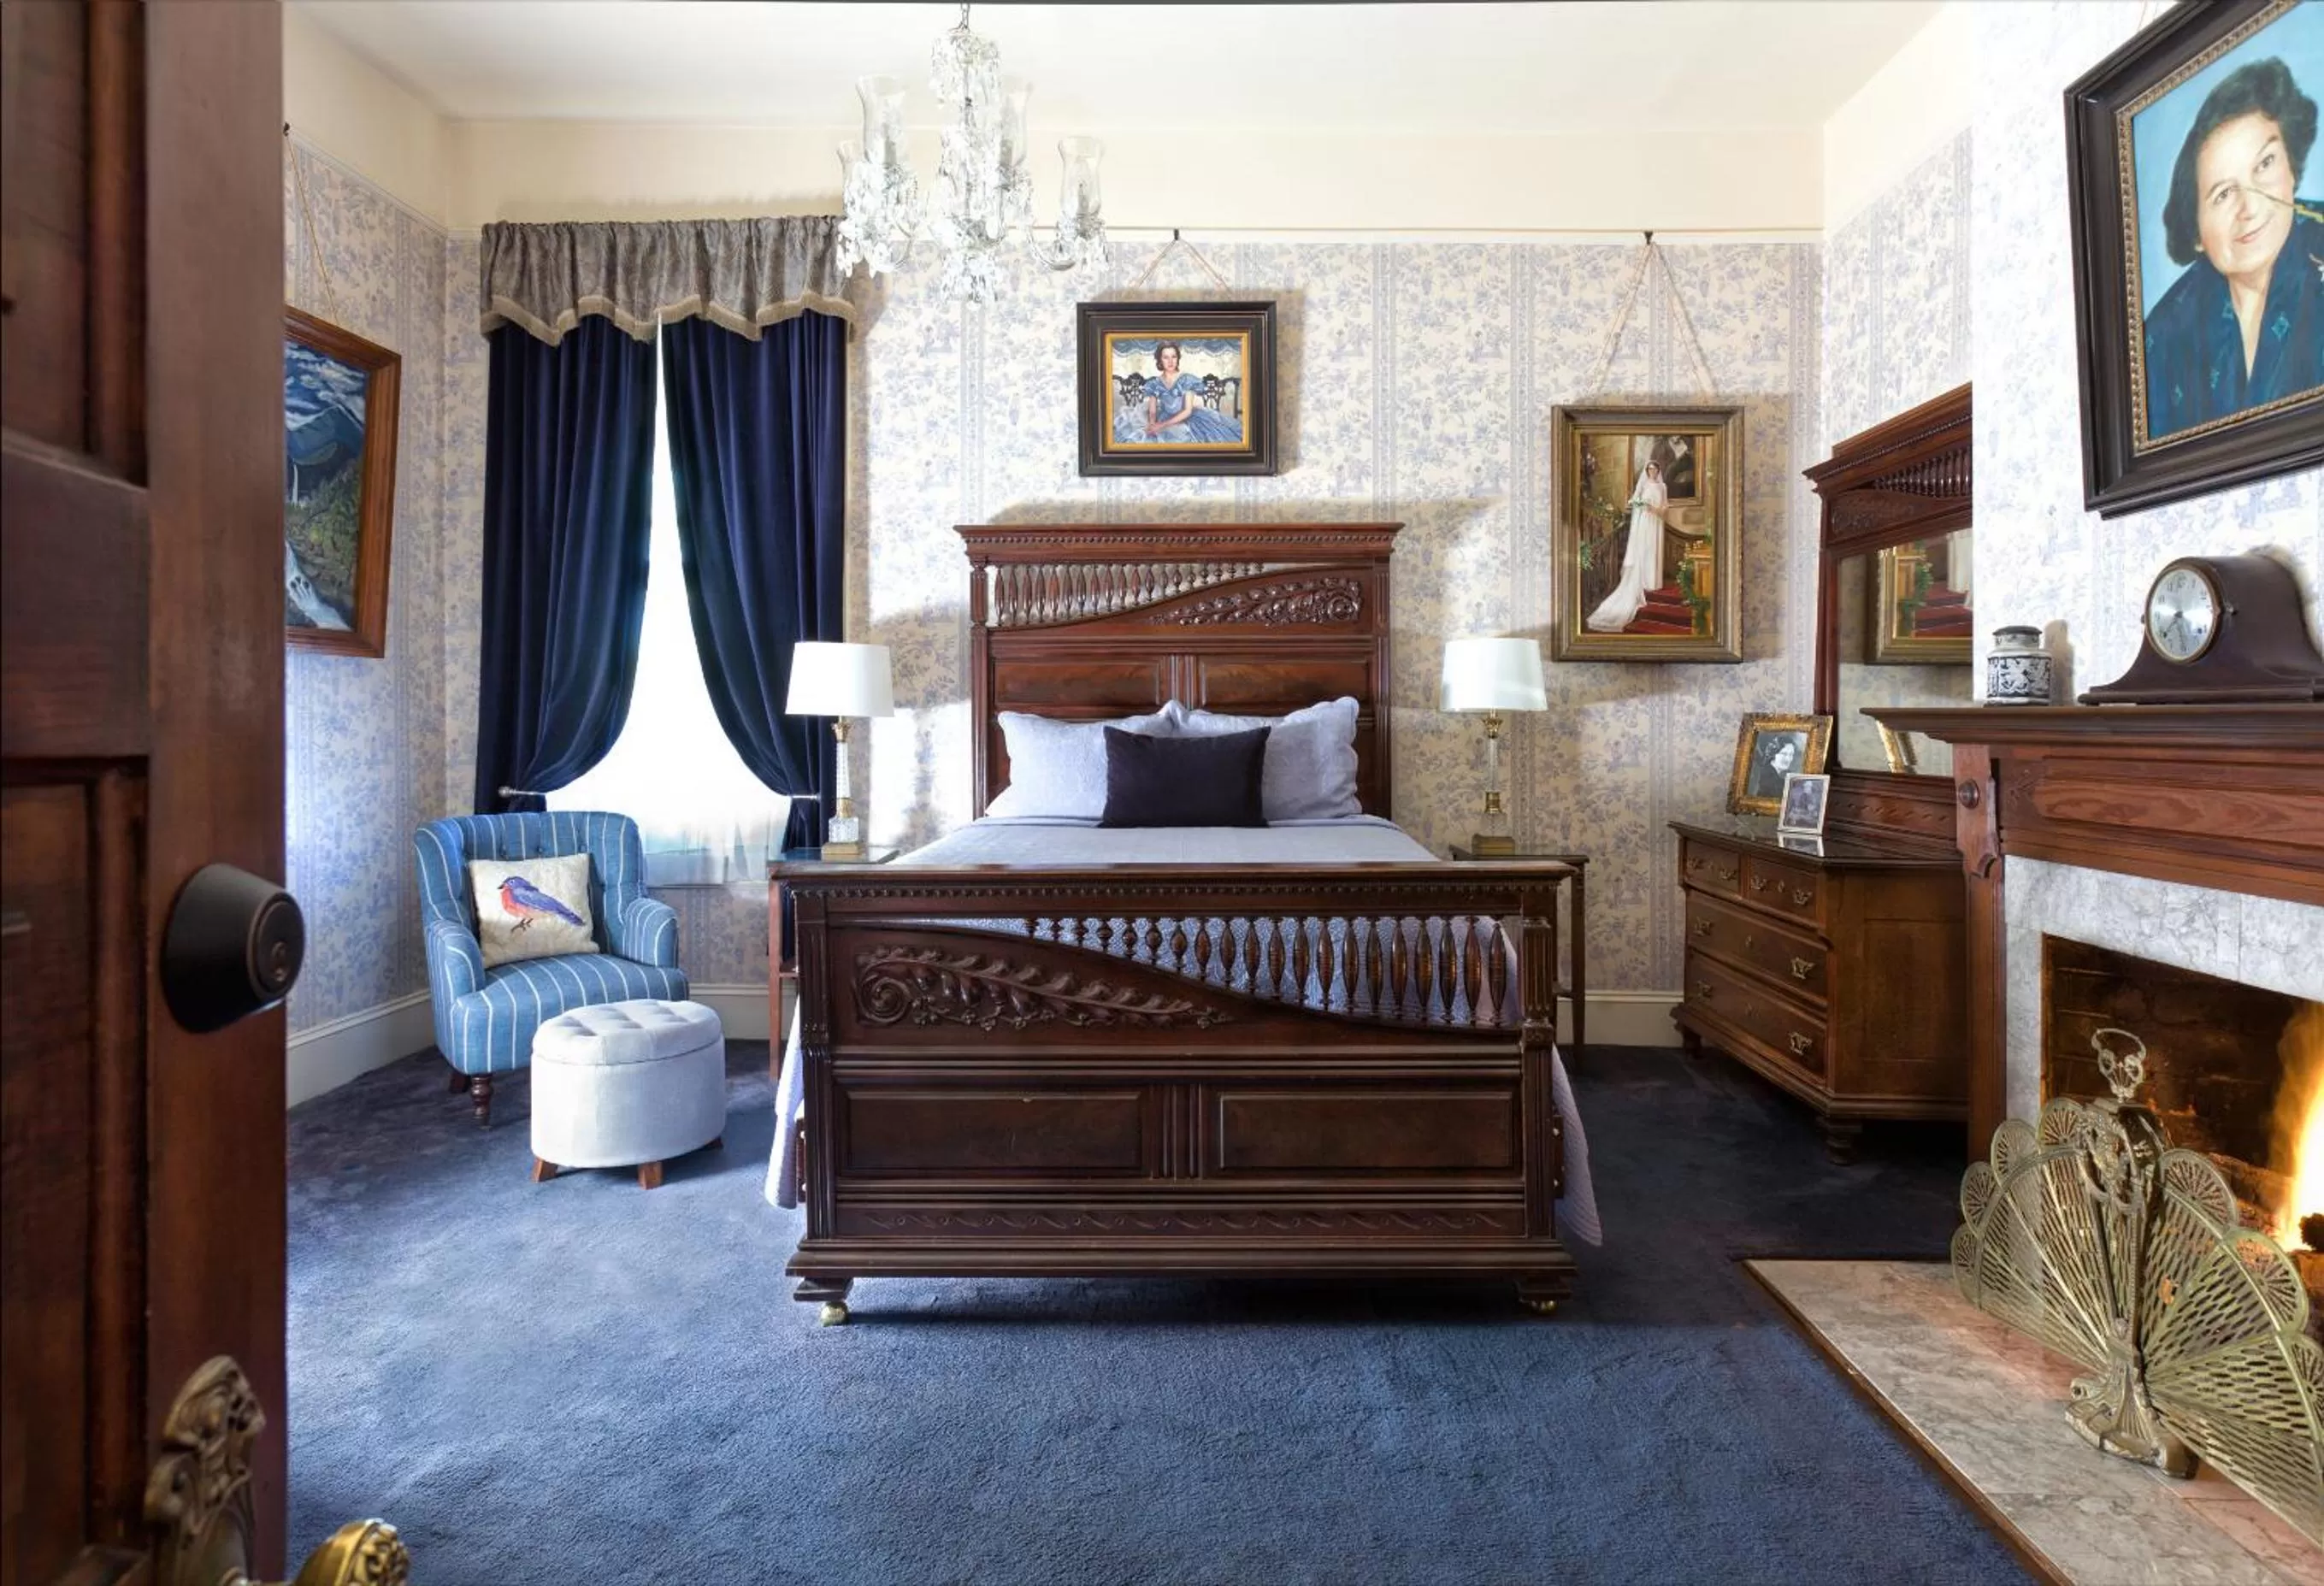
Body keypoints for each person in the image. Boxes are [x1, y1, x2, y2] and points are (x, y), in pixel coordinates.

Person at [2142, 56, 2324, 441]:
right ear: (2196, 234)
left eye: (2265, 164)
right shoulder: (2163, 333)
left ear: (2291, 166)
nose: (2251, 206)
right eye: (2223, 194)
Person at [1584, 460, 1670, 633]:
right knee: (1645, 551)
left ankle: (1654, 581)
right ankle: (1644, 581)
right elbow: (1633, 502)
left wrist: (1657, 510)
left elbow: (1665, 505)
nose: (1652, 472)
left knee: (1654, 552)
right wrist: (1640, 505)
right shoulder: (1643, 486)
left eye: (1655, 469)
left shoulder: (1663, 487)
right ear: (1647, 471)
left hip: (1657, 523)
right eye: (1649, 469)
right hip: (1645, 523)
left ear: (1658, 470)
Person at [1112, 340, 1245, 445]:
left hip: (1188, 419)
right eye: (1166, 357)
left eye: (1173, 357)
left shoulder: (1187, 380)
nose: (1170, 361)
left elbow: (1187, 411)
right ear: (1160, 360)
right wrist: (1153, 424)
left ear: (1178, 358)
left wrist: (1162, 425)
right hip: (1164, 416)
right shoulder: (1155, 383)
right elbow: (1152, 410)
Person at [1748, 734, 1802, 801]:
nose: (1788, 759)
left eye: (1791, 754)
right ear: (1773, 754)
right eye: (1784, 754)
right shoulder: (1767, 776)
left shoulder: (1774, 775)